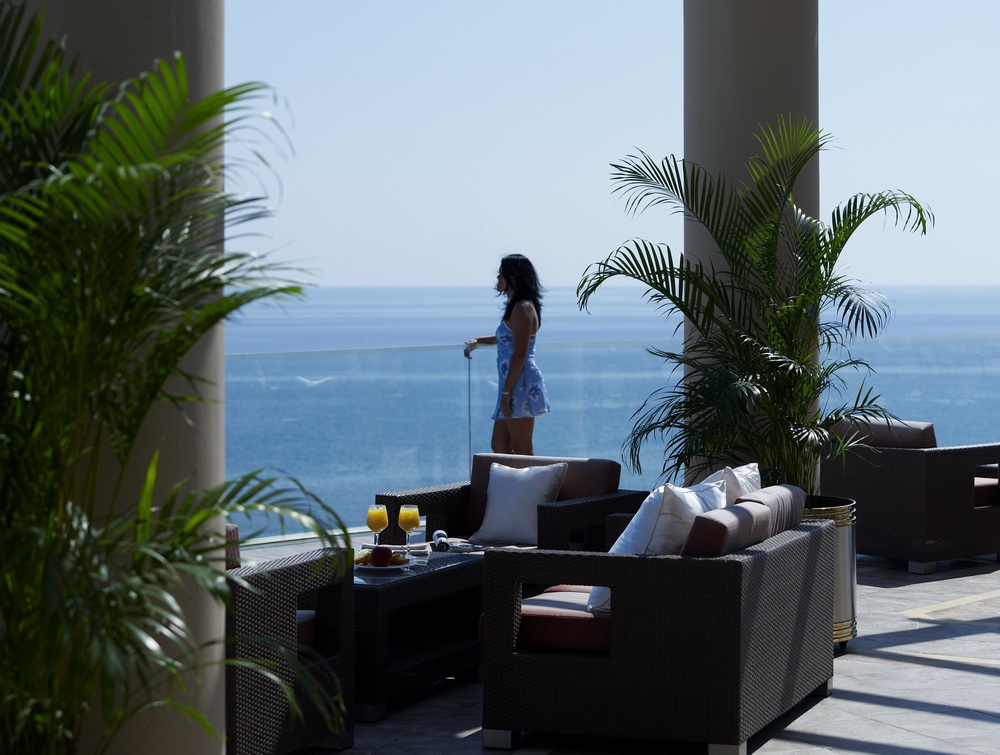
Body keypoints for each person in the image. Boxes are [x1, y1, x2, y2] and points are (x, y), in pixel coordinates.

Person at [464, 254, 551, 455]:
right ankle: (513, 475)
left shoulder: (522, 308)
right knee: (500, 445)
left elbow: (520, 353)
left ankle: (533, 476)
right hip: (511, 382)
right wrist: (478, 341)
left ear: (514, 277)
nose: (498, 278)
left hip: (519, 382)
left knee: (522, 448)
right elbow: (508, 338)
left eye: (501, 274)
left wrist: (506, 393)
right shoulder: (517, 307)